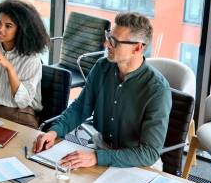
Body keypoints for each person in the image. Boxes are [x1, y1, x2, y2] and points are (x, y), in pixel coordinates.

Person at [33, 12, 172, 169]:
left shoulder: (158, 90)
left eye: (114, 41)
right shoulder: (102, 67)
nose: (107, 45)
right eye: (108, 37)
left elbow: (149, 153)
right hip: (100, 148)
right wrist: (54, 132)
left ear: (138, 48)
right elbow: (80, 108)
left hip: (137, 162)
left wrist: (97, 157)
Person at [0, 0, 50, 128]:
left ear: (21, 30)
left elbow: (23, 102)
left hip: (22, 116)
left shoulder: (31, 59)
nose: (0, 29)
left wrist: (9, 67)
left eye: (8, 26)